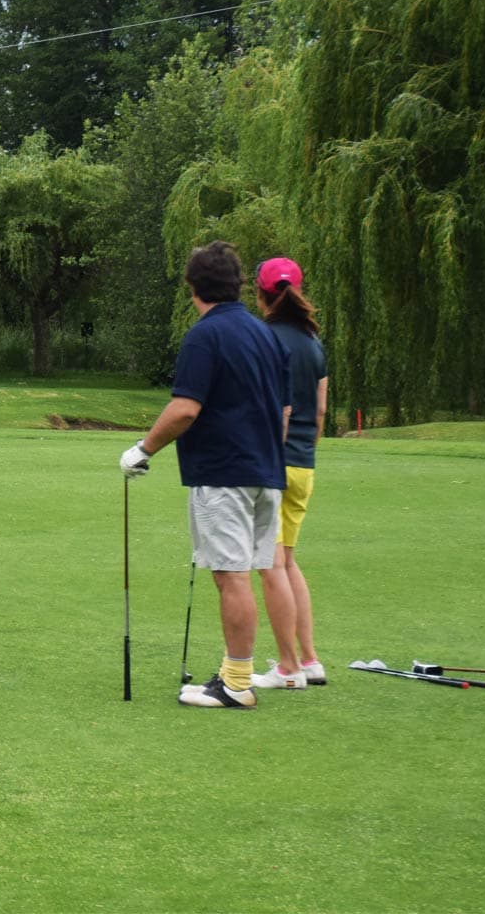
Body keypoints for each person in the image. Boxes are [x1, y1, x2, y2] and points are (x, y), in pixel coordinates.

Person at [119, 240, 289, 709]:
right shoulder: (264, 334)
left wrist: (142, 449)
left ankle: (236, 683)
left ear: (193, 287)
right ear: (236, 285)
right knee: (241, 574)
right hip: (266, 471)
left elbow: (185, 409)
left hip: (225, 474)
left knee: (230, 577)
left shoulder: (205, 335)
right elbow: (282, 410)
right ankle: (233, 675)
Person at [250, 257, 329, 690]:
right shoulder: (313, 342)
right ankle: (310, 660)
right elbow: (318, 412)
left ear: (260, 294)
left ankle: (287, 667)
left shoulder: (263, 339)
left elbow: (274, 408)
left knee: (270, 565)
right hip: (304, 463)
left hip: (274, 464)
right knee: (288, 562)